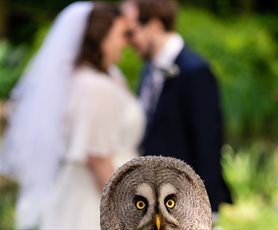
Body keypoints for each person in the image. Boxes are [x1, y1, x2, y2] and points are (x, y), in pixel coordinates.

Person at [0, 2, 144, 229]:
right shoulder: (96, 87)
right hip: (97, 199)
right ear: (100, 38)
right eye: (120, 35)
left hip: (76, 192)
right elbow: (97, 158)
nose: (125, 42)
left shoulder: (81, 78)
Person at [122, 0, 232, 213]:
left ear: (154, 26)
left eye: (131, 32)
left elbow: (207, 143)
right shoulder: (149, 69)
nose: (128, 41)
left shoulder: (195, 71)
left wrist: (205, 209)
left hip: (182, 202)